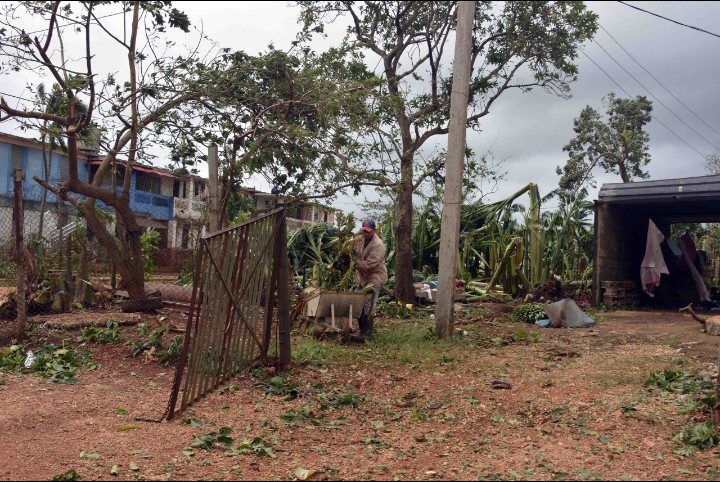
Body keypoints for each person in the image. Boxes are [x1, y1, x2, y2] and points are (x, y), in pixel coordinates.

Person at [352, 218, 388, 340]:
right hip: (362, 276)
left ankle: (367, 332)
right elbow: (351, 250)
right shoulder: (359, 239)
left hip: (375, 275)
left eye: (368, 231)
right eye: (364, 231)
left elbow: (370, 264)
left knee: (369, 303)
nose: (366, 233)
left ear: (374, 230)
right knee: (358, 302)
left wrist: (354, 263)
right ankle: (362, 330)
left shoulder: (379, 245)